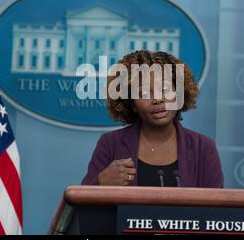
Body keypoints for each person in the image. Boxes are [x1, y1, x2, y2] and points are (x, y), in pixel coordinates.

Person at [81, 50, 224, 187]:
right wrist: (100, 182)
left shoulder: (203, 148)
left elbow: (217, 209)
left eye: (165, 90)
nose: (157, 99)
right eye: (144, 94)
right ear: (132, 104)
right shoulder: (110, 144)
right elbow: (81, 207)